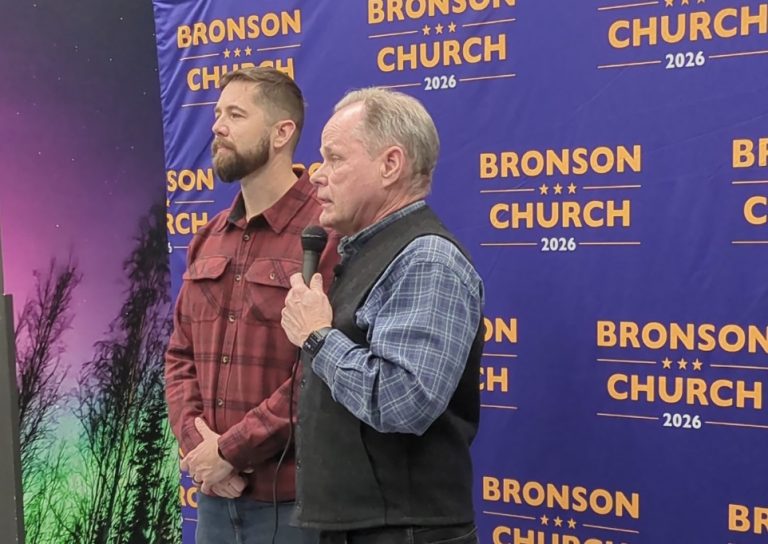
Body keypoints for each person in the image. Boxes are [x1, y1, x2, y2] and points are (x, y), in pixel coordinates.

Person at [280, 88, 485, 544]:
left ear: (390, 164)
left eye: (334, 158)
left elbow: (404, 400)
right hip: (357, 528)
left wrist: (317, 336)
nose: (317, 175)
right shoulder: (364, 252)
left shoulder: (427, 259)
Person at [165, 66, 335, 544]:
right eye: (218, 114)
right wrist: (201, 449)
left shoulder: (326, 233)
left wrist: (231, 452)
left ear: (282, 133)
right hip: (214, 501)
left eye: (236, 115)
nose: (218, 126)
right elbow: (179, 356)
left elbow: (321, 372)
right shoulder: (209, 237)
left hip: (295, 507)